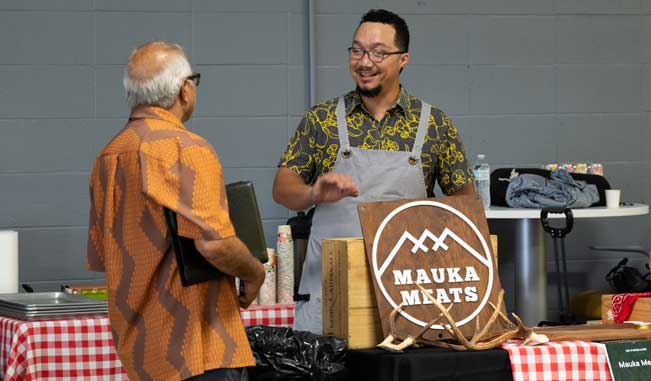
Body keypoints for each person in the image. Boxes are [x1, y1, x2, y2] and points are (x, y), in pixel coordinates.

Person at [272, 9, 476, 334]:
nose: (365, 62)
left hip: (409, 299)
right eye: (357, 50)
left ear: (403, 59)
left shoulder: (434, 125)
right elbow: (282, 188)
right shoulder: (321, 120)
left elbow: (466, 210)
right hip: (331, 296)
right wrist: (312, 193)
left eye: (378, 53)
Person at [86, 41, 264, 381]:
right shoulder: (187, 147)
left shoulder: (107, 157)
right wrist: (255, 273)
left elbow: (101, 256)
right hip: (199, 350)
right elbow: (213, 244)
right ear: (185, 90)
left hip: (140, 352)